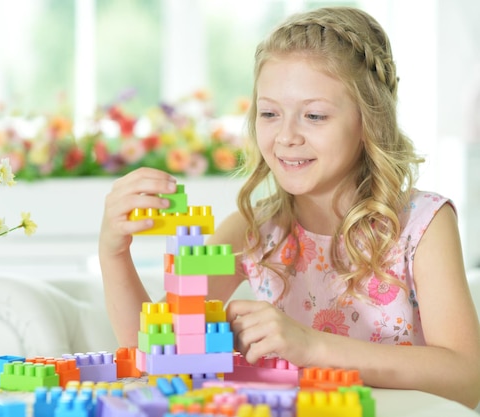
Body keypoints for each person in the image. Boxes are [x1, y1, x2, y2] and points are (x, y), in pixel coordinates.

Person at [99, 6, 480, 409]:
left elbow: (467, 377)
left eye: (314, 115)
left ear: (370, 120)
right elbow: (156, 355)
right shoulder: (252, 232)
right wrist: (114, 252)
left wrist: (312, 345)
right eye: (269, 113)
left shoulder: (422, 226)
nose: (286, 136)